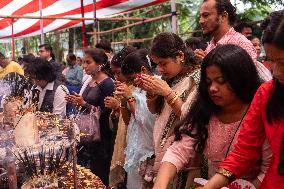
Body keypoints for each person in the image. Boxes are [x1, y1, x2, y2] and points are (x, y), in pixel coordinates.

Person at [153, 45, 271, 189]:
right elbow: (180, 149)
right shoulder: (205, 110)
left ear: (241, 78)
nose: (212, 88)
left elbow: (269, 169)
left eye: (220, 81)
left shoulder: (261, 111)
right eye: (208, 82)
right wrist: (159, 184)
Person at [203, 10, 284, 189]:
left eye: (283, 62)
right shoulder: (266, 94)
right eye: (271, 60)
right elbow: (243, 152)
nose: (276, 71)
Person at [135, 32, 200, 188]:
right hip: (164, 150)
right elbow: (155, 111)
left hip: (185, 155)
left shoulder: (197, 79)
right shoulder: (170, 77)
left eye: (163, 63)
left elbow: (190, 116)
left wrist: (167, 93)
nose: (160, 69)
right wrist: (150, 91)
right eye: (157, 64)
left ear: (180, 56)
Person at [65, 48, 114, 186]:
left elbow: (106, 112)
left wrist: (84, 103)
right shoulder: (90, 81)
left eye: (88, 62)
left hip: (101, 138)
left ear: (100, 64)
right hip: (87, 137)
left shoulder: (108, 84)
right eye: (83, 62)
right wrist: (77, 101)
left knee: (99, 175)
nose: (84, 66)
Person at [194, 0, 271, 81]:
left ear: (223, 16)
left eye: (205, 15)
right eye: (201, 16)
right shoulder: (211, 45)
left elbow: (247, 81)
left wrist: (208, 64)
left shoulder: (241, 44)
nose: (201, 21)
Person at [114, 49, 156, 189]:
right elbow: (128, 122)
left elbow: (146, 121)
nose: (133, 83)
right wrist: (123, 100)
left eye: (132, 79)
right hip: (136, 149)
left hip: (149, 152)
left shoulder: (156, 86)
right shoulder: (138, 89)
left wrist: (130, 97)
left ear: (143, 70)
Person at [106, 45, 137, 188]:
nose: (116, 77)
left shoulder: (137, 88)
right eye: (114, 74)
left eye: (119, 73)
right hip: (119, 138)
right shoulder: (121, 88)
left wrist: (119, 105)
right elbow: (115, 121)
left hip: (132, 143)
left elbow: (140, 118)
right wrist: (115, 109)